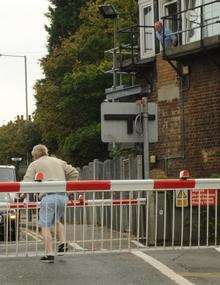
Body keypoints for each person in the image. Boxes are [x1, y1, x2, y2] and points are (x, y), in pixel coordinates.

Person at [23, 144, 79, 263]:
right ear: (46, 152)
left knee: (45, 226)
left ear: (34, 155)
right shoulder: (58, 161)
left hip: (48, 197)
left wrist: (21, 195)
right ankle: (63, 243)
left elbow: (26, 182)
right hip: (63, 196)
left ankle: (49, 254)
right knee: (57, 220)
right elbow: (74, 173)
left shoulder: (35, 164)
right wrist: (70, 190)